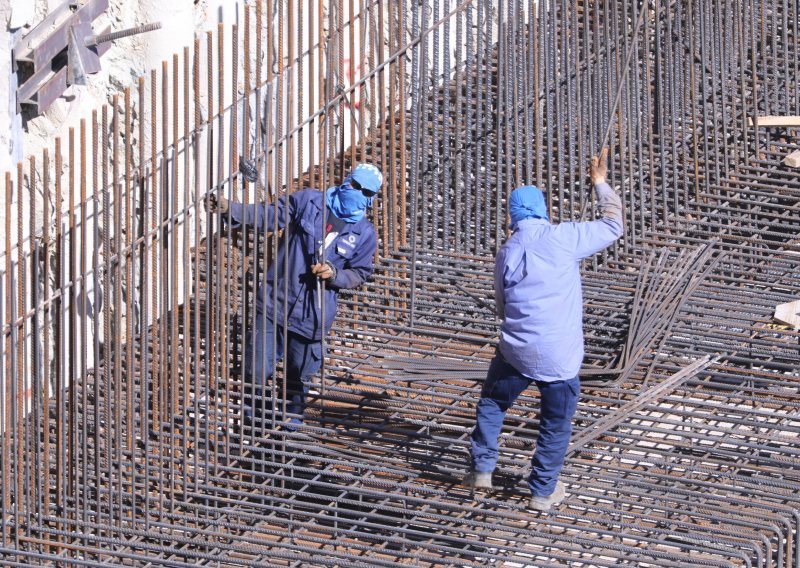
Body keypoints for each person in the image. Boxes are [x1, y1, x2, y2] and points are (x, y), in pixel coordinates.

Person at [463, 149, 623, 511]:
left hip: (516, 350)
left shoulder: (507, 250)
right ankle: (542, 492)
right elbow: (614, 225)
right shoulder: (563, 237)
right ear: (542, 210)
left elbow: (502, 305)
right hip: (560, 357)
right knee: (554, 425)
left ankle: (482, 470)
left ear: (513, 215)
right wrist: (600, 184)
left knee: (492, 402)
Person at [205, 164, 382, 429]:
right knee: (256, 368)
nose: (355, 191)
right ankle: (256, 420)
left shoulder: (364, 234)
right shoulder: (310, 201)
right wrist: (233, 209)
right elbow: (271, 215)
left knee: (298, 375)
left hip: (312, 316)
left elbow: (360, 272)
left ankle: (291, 425)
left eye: (363, 190)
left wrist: (335, 275)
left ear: (371, 197)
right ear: (347, 179)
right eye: (354, 184)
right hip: (275, 302)